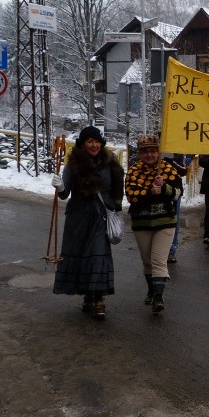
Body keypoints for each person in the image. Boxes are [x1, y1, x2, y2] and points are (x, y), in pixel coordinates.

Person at [51, 126, 124, 319]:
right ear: (83, 144)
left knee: (98, 256)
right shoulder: (73, 164)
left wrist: (116, 211)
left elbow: (117, 189)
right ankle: (88, 295)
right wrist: (60, 186)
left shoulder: (110, 163)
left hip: (100, 216)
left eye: (97, 141)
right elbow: (65, 194)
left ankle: (99, 299)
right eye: (90, 141)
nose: (94, 145)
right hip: (78, 218)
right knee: (82, 256)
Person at [125, 135, 183, 313]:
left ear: (158, 152)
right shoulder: (133, 171)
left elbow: (177, 194)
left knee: (158, 260)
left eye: (153, 151)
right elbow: (132, 196)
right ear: (140, 154)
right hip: (142, 223)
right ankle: (151, 290)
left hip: (165, 221)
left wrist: (164, 187)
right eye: (145, 151)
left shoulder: (168, 169)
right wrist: (151, 191)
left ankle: (158, 297)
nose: (149, 155)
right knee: (147, 261)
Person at [162, 153, 188, 263]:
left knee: (174, 221)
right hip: (158, 192)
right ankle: (160, 250)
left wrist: (172, 162)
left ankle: (171, 250)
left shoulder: (178, 152)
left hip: (174, 192)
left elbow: (183, 170)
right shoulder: (155, 151)